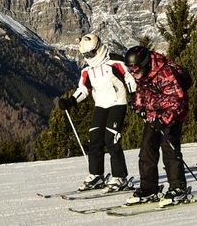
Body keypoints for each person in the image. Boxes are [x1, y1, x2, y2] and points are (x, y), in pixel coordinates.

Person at [57, 34, 137, 192]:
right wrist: (71, 101)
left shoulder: (115, 62)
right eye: (85, 55)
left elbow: (129, 77)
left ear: (98, 48)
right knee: (94, 140)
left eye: (91, 53)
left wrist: (134, 96)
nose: (89, 57)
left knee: (111, 139)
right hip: (100, 105)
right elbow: (84, 89)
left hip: (117, 103)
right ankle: (96, 175)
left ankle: (120, 177)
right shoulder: (87, 70)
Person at [124, 46, 192, 207]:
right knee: (147, 148)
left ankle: (178, 188)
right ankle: (149, 188)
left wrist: (164, 119)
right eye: (130, 70)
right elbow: (142, 90)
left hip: (173, 113)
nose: (133, 73)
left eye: (135, 69)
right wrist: (139, 106)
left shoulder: (165, 73)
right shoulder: (142, 72)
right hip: (155, 113)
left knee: (169, 149)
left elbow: (178, 100)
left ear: (146, 64)